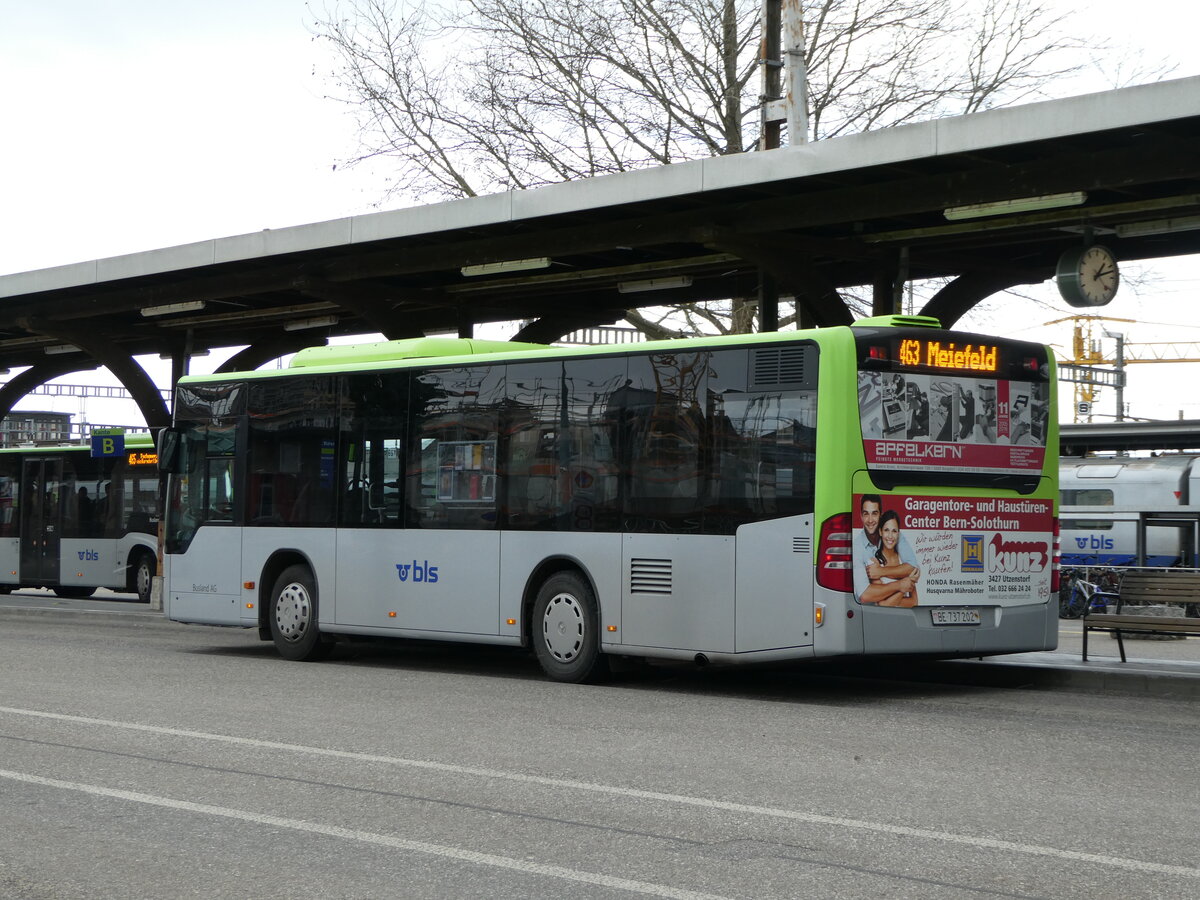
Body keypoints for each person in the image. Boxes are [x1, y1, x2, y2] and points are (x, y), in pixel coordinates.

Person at [853, 494, 919, 603]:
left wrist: (881, 571)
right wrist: (900, 585)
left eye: (874, 513)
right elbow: (865, 595)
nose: (870, 520)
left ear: (880, 515)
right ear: (861, 515)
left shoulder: (890, 534)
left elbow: (913, 567)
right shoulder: (858, 548)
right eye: (866, 514)